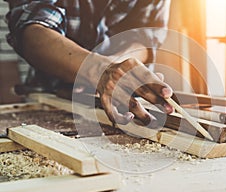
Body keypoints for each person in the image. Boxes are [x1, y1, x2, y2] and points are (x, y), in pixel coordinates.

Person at [4, 0, 174, 127]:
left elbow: (146, 36)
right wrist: (98, 70)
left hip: (123, 101)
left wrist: (116, 70)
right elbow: (31, 30)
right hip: (52, 97)